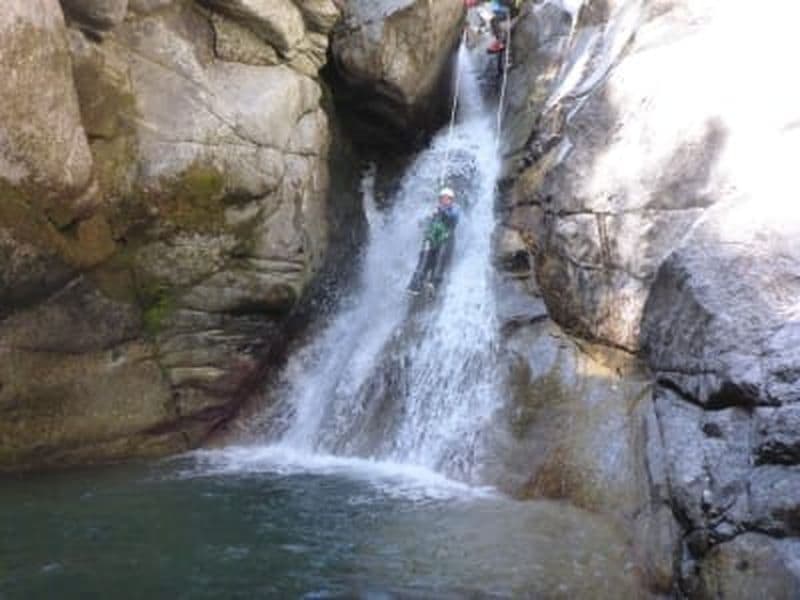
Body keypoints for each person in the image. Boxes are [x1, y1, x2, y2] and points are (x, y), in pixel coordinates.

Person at [408, 188, 460, 295]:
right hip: (431, 239)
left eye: (447, 199)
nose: (444, 201)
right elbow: (425, 223)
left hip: (444, 239)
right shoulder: (435, 210)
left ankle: (434, 283)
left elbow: (453, 218)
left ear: (451, 200)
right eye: (442, 199)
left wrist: (442, 211)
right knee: (424, 259)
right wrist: (423, 221)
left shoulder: (454, 210)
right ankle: (416, 283)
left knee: (439, 260)